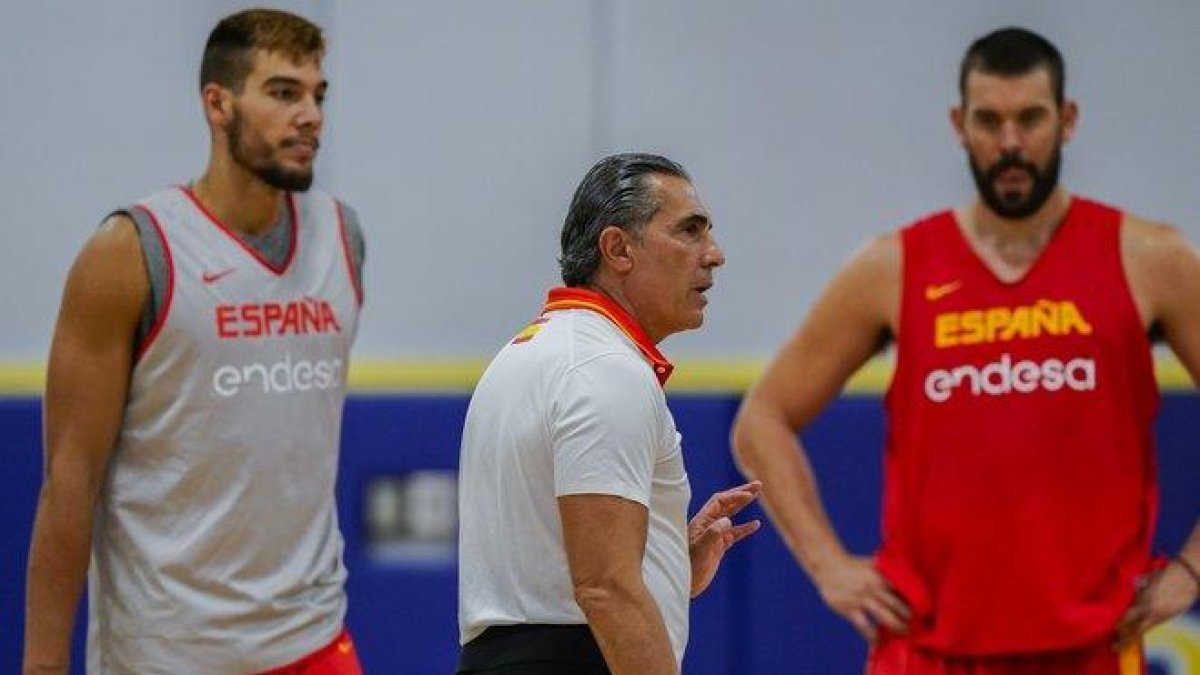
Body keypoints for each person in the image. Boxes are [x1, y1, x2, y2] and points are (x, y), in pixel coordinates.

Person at [732, 26, 1200, 674]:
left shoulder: (1150, 258)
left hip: (1092, 645)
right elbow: (763, 417)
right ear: (960, 125)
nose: (1010, 143)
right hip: (927, 650)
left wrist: (1191, 568)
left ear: (1067, 119)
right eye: (990, 120)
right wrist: (828, 565)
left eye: (1030, 118)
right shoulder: (895, 266)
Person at [22, 9, 366, 674]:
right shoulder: (129, 252)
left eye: (318, 95)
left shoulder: (342, 236)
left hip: (312, 634)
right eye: (283, 92)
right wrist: (41, 663)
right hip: (164, 651)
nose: (311, 115)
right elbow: (69, 482)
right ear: (218, 103)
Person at [456, 153, 762, 675]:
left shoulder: (527, 352)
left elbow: (553, 574)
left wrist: (666, 564)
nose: (715, 254)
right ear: (618, 248)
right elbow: (604, 589)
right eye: (690, 231)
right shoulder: (604, 370)